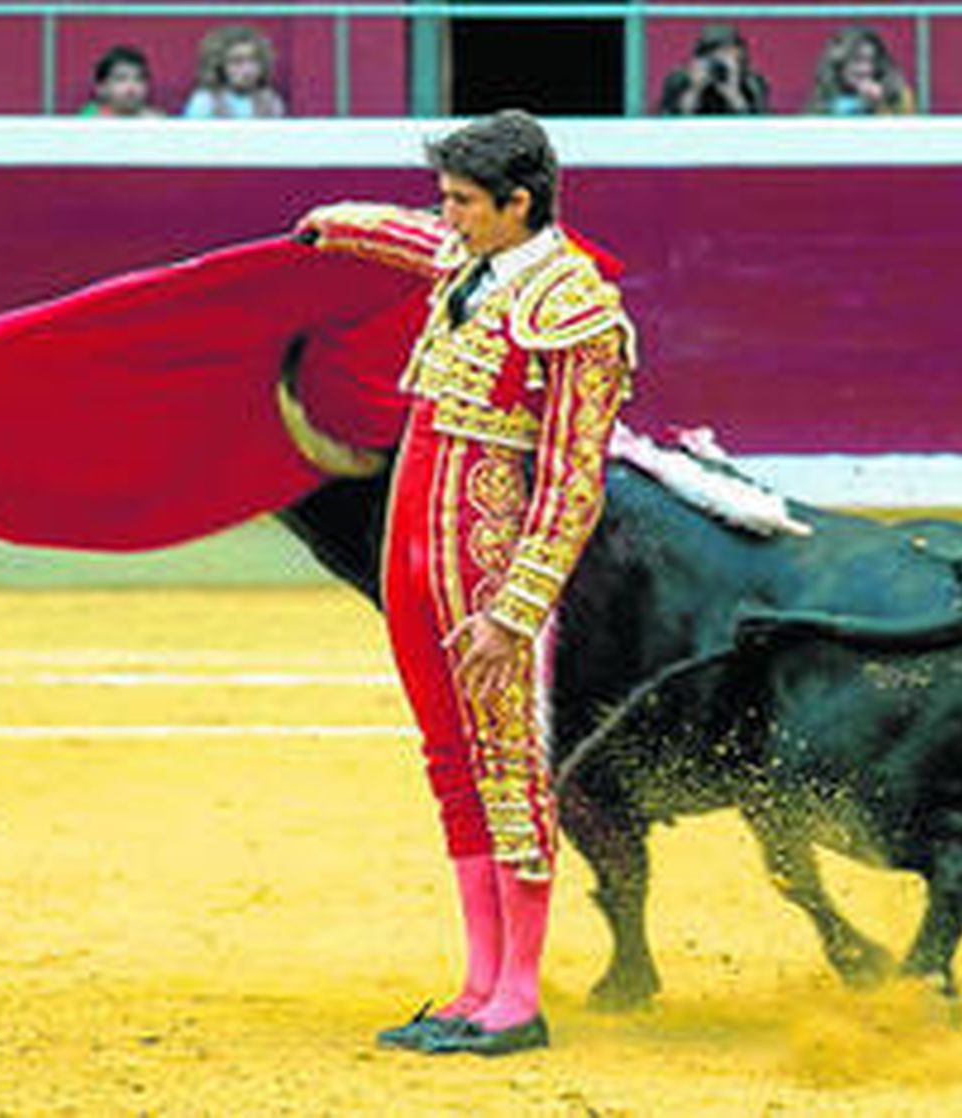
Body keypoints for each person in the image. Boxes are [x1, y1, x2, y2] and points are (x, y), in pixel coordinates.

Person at [299, 111, 636, 1056]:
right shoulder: (472, 260)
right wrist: (336, 221)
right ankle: (476, 983)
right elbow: (411, 239)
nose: (442, 218)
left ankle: (519, 999)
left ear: (517, 205)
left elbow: (573, 480)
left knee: (507, 766)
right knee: (451, 761)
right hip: (414, 538)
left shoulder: (577, 307)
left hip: (485, 561)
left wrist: (516, 611)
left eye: (460, 202)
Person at [658, 24, 770, 115]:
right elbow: (668, 126)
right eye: (711, 52)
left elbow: (759, 127)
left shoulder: (751, 81)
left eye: (726, 52)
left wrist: (734, 93)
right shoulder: (680, 79)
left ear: (739, 54)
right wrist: (694, 90)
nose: (718, 59)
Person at [807, 25, 916, 116]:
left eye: (872, 61)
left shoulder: (899, 94)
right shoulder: (825, 96)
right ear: (839, 64)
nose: (866, 69)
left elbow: (904, 135)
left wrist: (879, 104)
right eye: (857, 61)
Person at [182, 24, 286, 118]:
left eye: (254, 60)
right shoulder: (205, 102)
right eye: (237, 62)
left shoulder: (271, 102)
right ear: (219, 66)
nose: (247, 70)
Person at [79, 45, 166, 118]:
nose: (131, 87)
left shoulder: (156, 119)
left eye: (139, 79)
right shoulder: (91, 116)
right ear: (101, 87)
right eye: (121, 79)